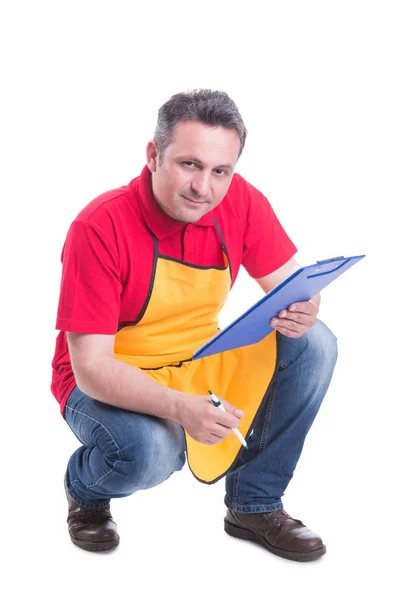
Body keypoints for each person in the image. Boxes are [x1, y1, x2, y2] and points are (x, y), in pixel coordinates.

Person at [51, 89, 338, 561]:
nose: (203, 187)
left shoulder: (240, 202)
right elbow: (92, 369)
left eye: (219, 171)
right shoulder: (100, 227)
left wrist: (307, 306)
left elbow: (295, 286)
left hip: (195, 359)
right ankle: (84, 487)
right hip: (105, 377)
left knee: (314, 343)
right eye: (189, 164)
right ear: (153, 155)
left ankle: (254, 504)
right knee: (152, 454)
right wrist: (182, 410)